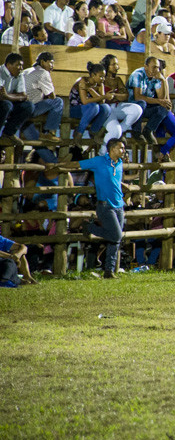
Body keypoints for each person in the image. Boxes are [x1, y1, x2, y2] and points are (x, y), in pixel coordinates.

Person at [58, 138, 129, 279]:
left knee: (115, 240)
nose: (123, 150)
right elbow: (77, 164)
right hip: (105, 205)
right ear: (112, 149)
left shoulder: (119, 163)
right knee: (117, 236)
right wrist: (58, 166)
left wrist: (122, 184)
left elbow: (112, 178)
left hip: (119, 205)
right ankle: (89, 227)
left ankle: (108, 271)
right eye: (121, 148)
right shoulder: (99, 161)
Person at [21, 52, 65, 143]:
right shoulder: (43, 72)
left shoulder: (26, 70)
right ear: (42, 62)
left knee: (35, 138)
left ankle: (41, 136)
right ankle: (50, 132)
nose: (52, 65)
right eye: (50, 62)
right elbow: (52, 96)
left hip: (20, 108)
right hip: (31, 108)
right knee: (58, 102)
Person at [69, 62, 112, 148]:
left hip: (91, 110)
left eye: (104, 76)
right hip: (75, 109)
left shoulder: (100, 85)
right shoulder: (83, 81)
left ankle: (94, 131)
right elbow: (85, 101)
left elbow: (102, 102)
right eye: (100, 76)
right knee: (94, 107)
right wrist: (103, 96)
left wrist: (91, 90)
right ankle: (79, 133)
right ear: (93, 75)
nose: (103, 79)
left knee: (106, 108)